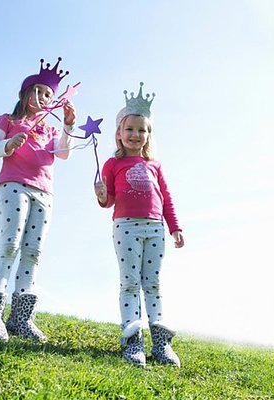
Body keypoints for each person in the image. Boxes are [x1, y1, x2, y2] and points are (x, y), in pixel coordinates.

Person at [0, 57, 76, 342]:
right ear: (24, 93)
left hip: (44, 192)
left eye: (49, 95)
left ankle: (21, 319)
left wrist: (69, 125)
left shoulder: (52, 128)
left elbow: (64, 153)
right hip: (14, 186)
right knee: (10, 243)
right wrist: (7, 145)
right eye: (38, 91)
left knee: (33, 251)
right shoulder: (7, 121)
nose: (44, 97)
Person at [95, 83, 184, 367]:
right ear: (119, 134)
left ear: (148, 135)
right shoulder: (112, 164)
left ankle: (161, 344)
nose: (135, 135)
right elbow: (108, 201)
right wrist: (101, 195)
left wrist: (174, 227)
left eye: (141, 130)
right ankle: (133, 342)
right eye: (129, 129)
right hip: (126, 226)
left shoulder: (155, 166)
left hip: (155, 227)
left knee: (153, 283)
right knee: (130, 283)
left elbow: (166, 197)